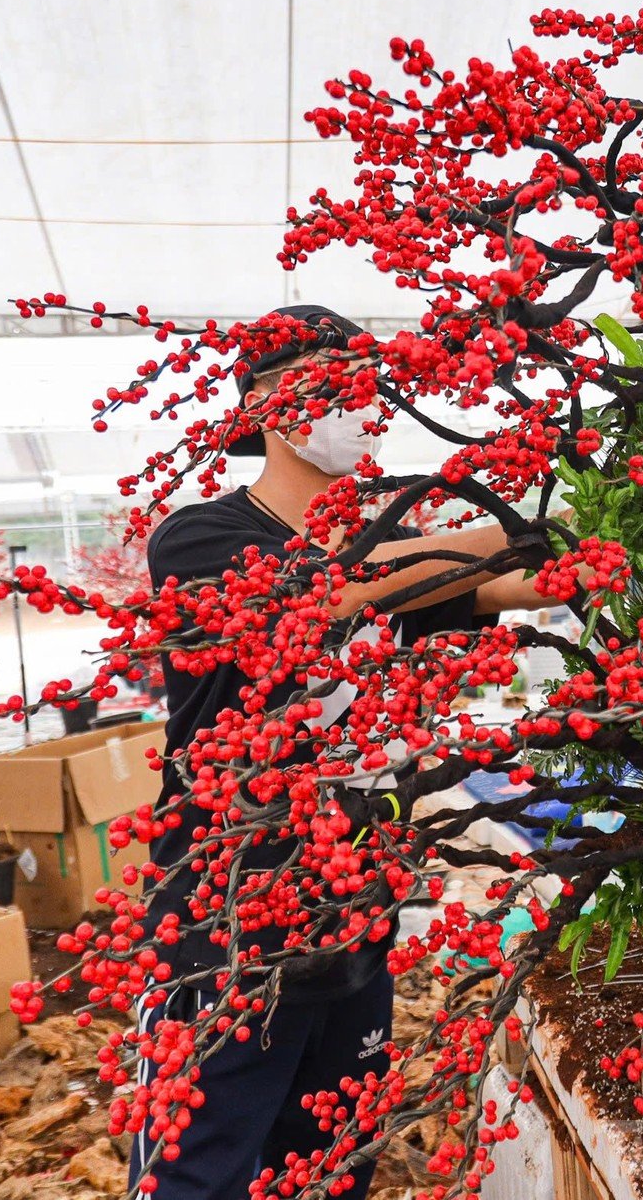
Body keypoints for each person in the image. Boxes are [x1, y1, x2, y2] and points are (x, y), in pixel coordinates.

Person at [135, 305, 553, 1200]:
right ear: (267, 404)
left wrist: (618, 534)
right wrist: (516, 525)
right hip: (231, 924)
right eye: (334, 386)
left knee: (331, 1166)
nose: (359, 409)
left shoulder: (393, 552)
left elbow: (506, 581)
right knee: (197, 1173)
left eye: (367, 388)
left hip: (355, 913)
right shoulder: (202, 539)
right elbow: (328, 588)